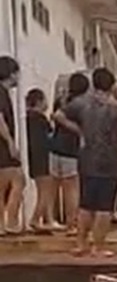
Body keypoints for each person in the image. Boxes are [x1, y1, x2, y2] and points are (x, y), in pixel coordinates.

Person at [56, 68, 117, 257]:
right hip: (110, 163)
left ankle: (81, 244)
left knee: (86, 205)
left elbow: (58, 115)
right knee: (104, 207)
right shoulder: (116, 107)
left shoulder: (82, 103)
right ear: (112, 85)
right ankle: (97, 247)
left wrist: (79, 131)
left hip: (87, 160)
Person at [50, 72, 89, 233]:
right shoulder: (81, 105)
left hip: (55, 148)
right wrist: (80, 132)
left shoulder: (60, 100)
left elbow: (54, 117)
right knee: (71, 189)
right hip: (70, 150)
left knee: (52, 188)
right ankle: (71, 224)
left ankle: (49, 219)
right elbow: (59, 118)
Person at [26, 88, 62, 232]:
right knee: (46, 190)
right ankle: (35, 218)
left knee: (43, 189)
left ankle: (49, 219)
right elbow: (49, 137)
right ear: (40, 102)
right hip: (43, 157)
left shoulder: (27, 118)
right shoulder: (40, 119)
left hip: (33, 157)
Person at [0, 55, 25, 235]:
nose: (18, 77)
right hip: (2, 144)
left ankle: (2, 224)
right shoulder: (1, 92)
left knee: (3, 185)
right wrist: (10, 142)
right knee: (18, 180)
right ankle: (11, 221)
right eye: (16, 73)